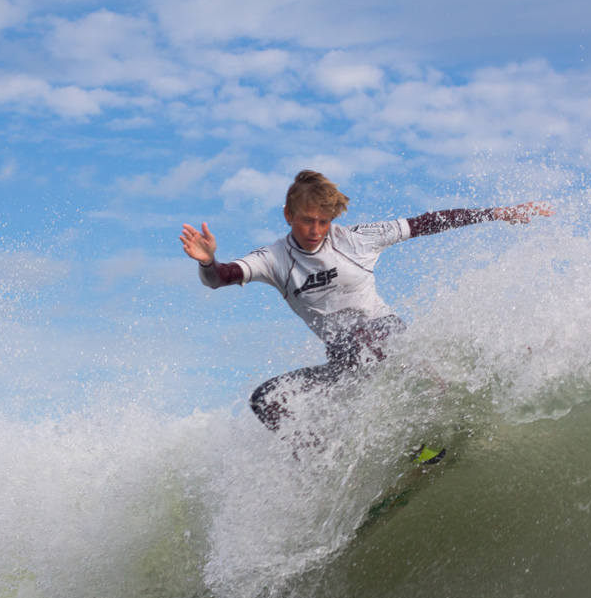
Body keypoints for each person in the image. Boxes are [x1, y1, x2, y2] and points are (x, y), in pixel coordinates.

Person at [180, 170, 553, 437]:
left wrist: (499, 213)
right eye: (307, 221)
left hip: (384, 335)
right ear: (288, 215)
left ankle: (433, 425)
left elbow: (426, 222)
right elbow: (222, 277)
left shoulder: (356, 239)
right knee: (268, 399)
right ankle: (319, 460)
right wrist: (208, 262)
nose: (316, 231)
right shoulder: (274, 258)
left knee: (364, 341)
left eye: (324, 222)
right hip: (344, 359)